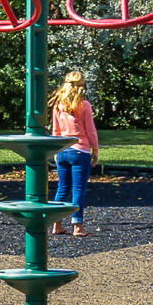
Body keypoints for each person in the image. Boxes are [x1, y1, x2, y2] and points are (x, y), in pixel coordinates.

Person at [49, 70, 99, 235]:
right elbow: (90, 131)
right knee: (78, 189)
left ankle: (56, 224)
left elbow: (55, 131)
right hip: (79, 150)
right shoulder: (84, 105)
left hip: (62, 150)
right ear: (81, 87)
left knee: (62, 187)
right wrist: (95, 150)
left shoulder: (58, 105)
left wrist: (55, 151)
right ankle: (77, 226)